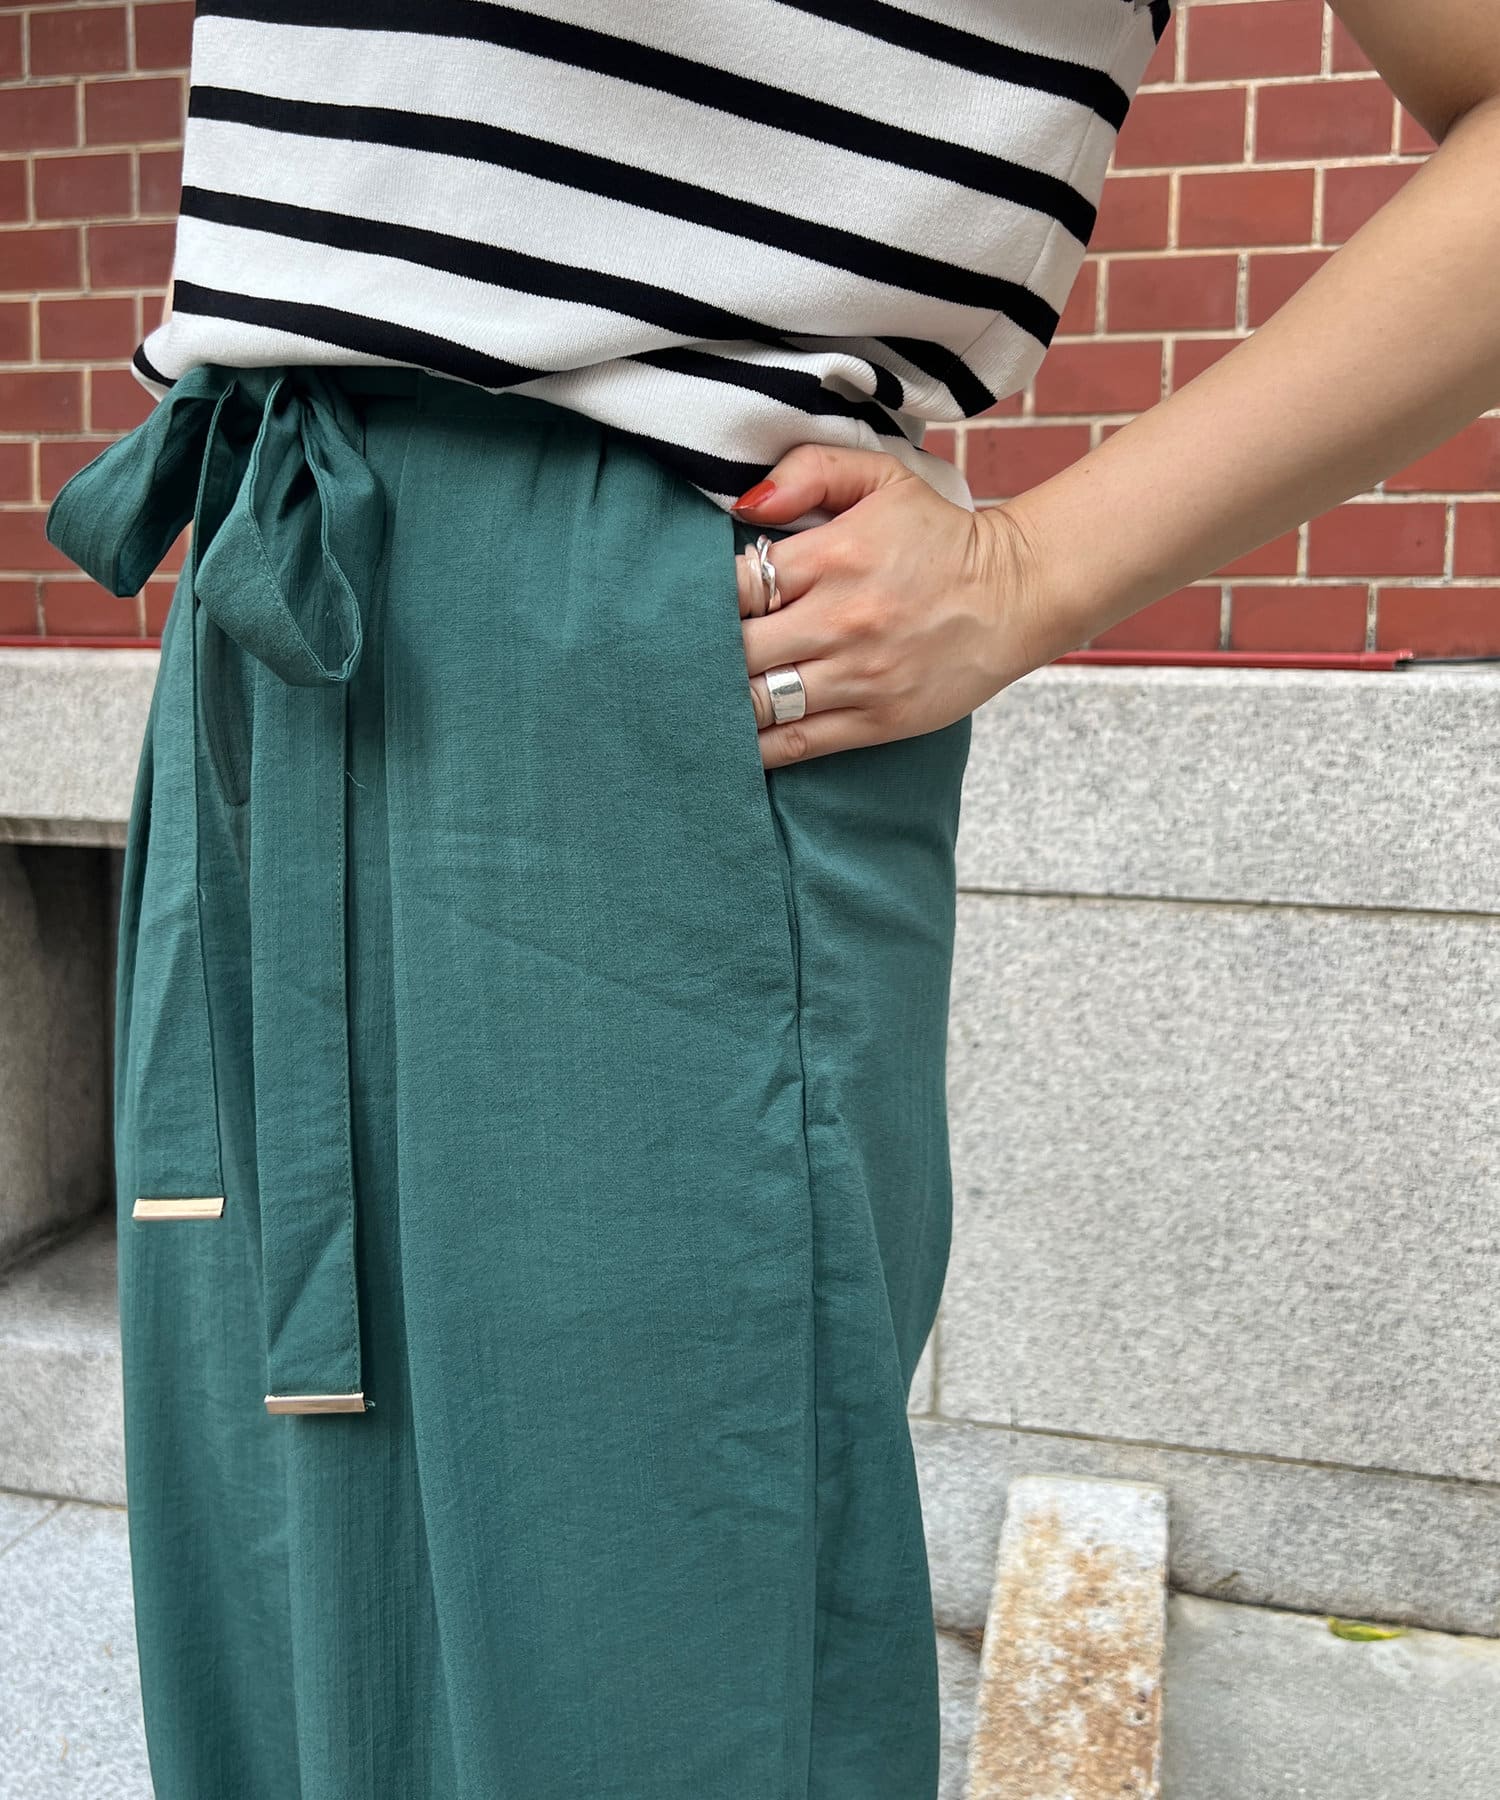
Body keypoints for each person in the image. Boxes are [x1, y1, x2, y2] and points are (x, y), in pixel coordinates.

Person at [41, 2, 1500, 1795]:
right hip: (272, 622)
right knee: (278, 1667)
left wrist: (1037, 570)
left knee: (655, 1694)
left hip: (659, 676)